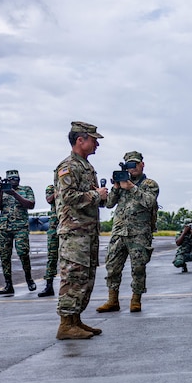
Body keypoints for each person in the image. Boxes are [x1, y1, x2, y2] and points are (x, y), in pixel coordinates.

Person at [53, 121, 108, 340]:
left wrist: (101, 196)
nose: (97, 144)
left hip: (87, 232)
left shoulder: (86, 167)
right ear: (80, 140)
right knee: (73, 277)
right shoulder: (68, 167)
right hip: (74, 232)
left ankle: (75, 320)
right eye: (94, 139)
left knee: (85, 277)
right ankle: (65, 324)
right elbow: (68, 197)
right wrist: (97, 195)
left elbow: (89, 198)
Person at [95, 151, 159, 314]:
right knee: (112, 267)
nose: (132, 168)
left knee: (138, 268)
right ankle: (112, 300)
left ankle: (136, 300)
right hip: (119, 232)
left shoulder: (149, 184)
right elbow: (109, 204)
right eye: (128, 165)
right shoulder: (121, 183)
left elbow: (149, 202)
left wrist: (131, 187)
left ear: (142, 164)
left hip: (139, 234)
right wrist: (116, 188)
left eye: (135, 164)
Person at [0, 168, 36, 296]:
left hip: (20, 227)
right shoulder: (1, 191)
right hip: (4, 227)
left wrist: (14, 193)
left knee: (23, 253)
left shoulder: (26, 189)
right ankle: (8, 285)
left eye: (16, 179)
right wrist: (2, 193)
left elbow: (31, 204)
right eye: (11, 179)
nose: (14, 181)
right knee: (4, 256)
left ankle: (29, 279)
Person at [37, 184, 58, 296]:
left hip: (71, 226)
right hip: (55, 227)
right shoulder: (52, 187)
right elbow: (49, 199)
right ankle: (49, 286)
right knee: (52, 257)